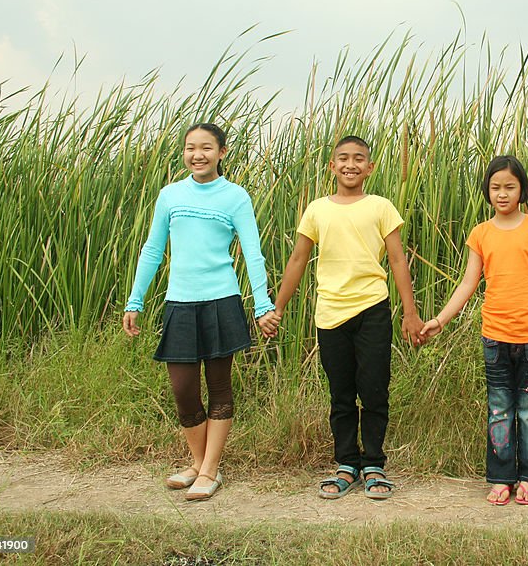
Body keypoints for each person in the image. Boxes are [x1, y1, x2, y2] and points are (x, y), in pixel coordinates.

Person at [123, 122, 278, 502]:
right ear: (184, 153)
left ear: (221, 153)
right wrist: (135, 300)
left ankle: (210, 469)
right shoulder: (170, 195)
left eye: (206, 148)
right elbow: (152, 250)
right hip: (180, 301)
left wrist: (263, 305)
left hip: (222, 299)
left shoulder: (235, 197)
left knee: (220, 388)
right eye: (191, 148)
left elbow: (252, 253)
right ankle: (197, 463)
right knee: (183, 390)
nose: (198, 154)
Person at [269, 135, 424, 500]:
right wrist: (278, 308)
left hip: (373, 308)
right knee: (340, 394)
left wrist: (411, 312)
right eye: (343, 158)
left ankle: (374, 464)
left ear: (370, 168)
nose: (350, 164)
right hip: (330, 313)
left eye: (359, 159)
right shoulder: (317, 210)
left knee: (373, 390)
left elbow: (398, 260)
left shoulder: (381, 207)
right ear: (332, 166)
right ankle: (346, 464)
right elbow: (297, 260)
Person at [419, 155, 528, 506]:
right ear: (487, 192)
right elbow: (468, 283)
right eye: (495, 188)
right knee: (499, 408)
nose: (502, 194)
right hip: (495, 336)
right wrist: (440, 320)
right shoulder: (481, 233)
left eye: (510, 187)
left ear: (522, 190)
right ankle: (502, 477)